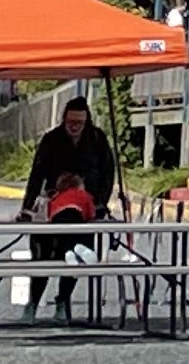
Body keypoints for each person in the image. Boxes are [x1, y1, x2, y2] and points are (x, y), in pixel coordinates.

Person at [19, 94, 124, 319]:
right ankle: (32, 304)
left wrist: (100, 203)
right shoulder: (51, 140)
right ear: (64, 119)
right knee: (43, 259)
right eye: (70, 122)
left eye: (79, 123)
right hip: (53, 208)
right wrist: (27, 207)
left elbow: (108, 173)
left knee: (76, 258)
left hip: (86, 210)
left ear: (87, 121)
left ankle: (63, 301)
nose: (74, 127)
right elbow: (36, 174)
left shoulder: (97, 139)